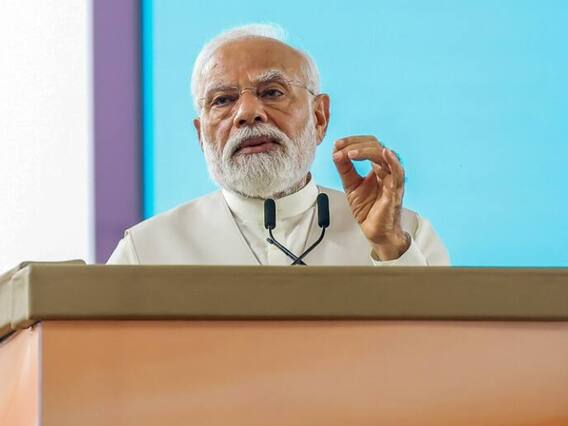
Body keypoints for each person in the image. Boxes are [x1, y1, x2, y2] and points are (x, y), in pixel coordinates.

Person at [107, 24, 450, 266]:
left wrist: (389, 248)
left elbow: (442, 348)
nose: (248, 113)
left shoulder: (408, 235)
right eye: (223, 100)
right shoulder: (146, 251)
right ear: (201, 136)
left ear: (319, 117)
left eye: (272, 92)